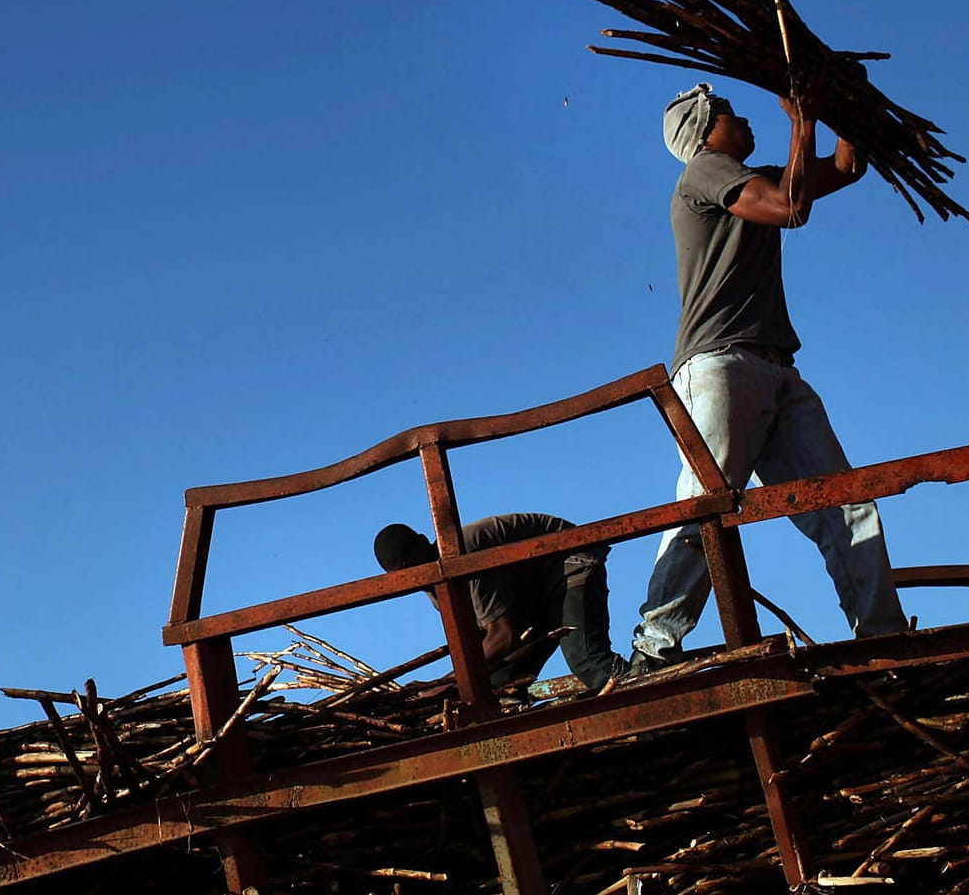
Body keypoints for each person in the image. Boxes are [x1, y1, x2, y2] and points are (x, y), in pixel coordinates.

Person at [629, 81, 909, 675]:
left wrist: (838, 108)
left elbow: (843, 168)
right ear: (705, 129)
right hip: (720, 366)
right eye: (731, 114)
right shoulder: (706, 173)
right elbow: (791, 209)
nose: (746, 121)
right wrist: (802, 123)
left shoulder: (748, 175)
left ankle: (883, 641)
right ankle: (653, 645)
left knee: (846, 503)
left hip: (777, 369)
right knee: (705, 504)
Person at [374, 512, 624, 690]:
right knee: (500, 680)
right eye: (407, 575)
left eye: (415, 566)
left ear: (422, 541)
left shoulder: (459, 557)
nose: (416, 577)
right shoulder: (436, 589)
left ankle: (643, 679)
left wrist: (447, 682)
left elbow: (503, 635)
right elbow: (481, 645)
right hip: (534, 592)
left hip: (569, 559)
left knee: (587, 660)